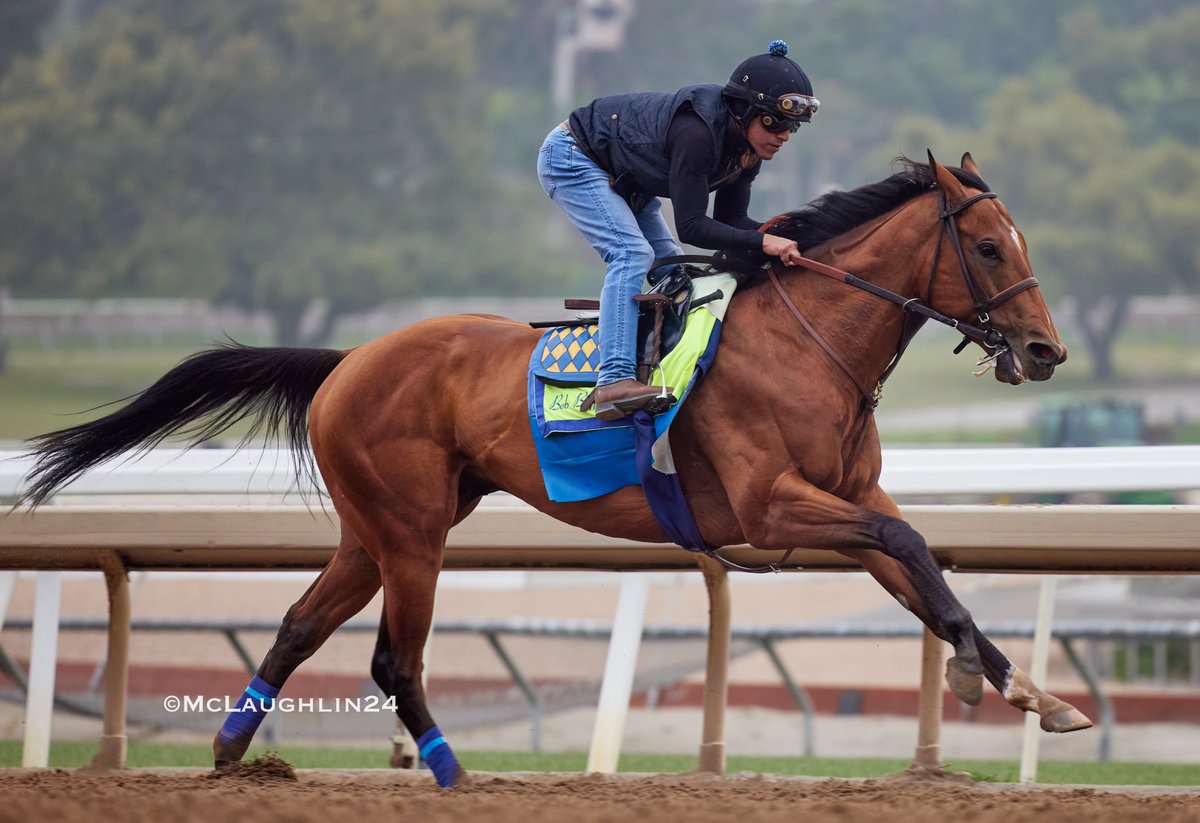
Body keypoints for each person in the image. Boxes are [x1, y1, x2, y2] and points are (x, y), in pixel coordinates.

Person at [537, 40, 818, 421]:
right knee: (633, 254)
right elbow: (692, 227)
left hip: (629, 180)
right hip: (574, 156)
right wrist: (764, 240)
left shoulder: (747, 152)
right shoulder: (697, 133)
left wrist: (788, 234)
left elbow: (732, 224)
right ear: (744, 112)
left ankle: (656, 365)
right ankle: (613, 380)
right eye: (776, 122)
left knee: (674, 273)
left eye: (792, 128)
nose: (784, 135)